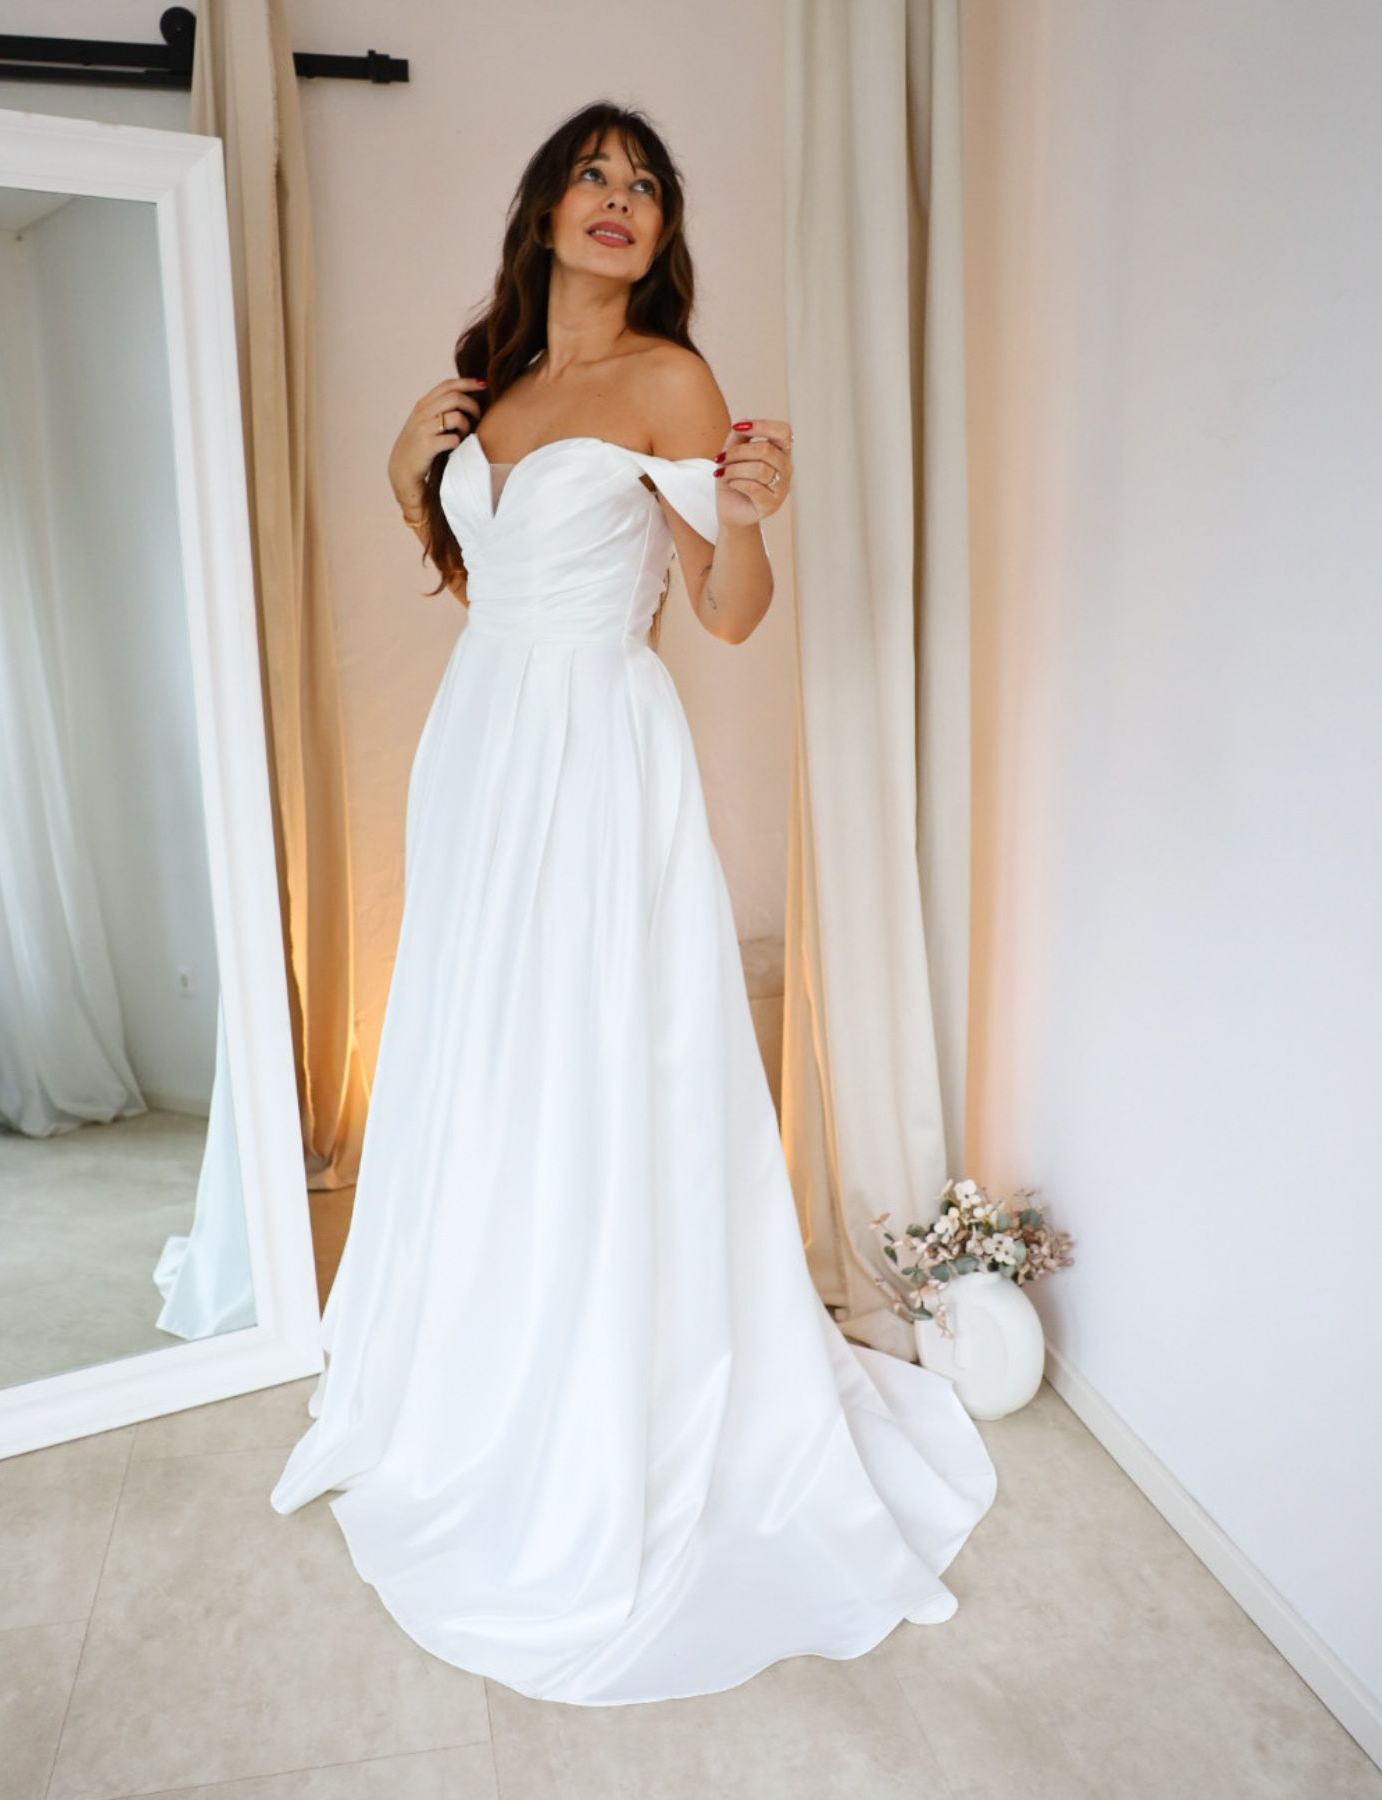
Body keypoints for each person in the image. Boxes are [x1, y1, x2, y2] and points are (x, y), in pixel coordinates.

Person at [269, 100, 997, 1708]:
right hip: (480, 751)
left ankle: (607, 1387)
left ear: (663, 233)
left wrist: (746, 519)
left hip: (599, 754)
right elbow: (493, 584)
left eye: (647, 185)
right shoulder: (491, 388)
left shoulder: (672, 379)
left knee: (599, 1054)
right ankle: (480, 1359)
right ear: (543, 209)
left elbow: (725, 613)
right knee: (489, 1053)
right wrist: (407, 476)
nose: (619, 199)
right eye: (593, 175)